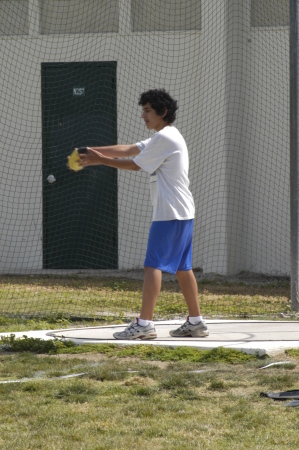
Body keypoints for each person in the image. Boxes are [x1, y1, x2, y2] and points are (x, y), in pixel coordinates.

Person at [78, 88, 209, 340]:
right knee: (183, 267)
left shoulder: (166, 139)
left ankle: (145, 325)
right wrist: (93, 152)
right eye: (143, 110)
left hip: (170, 213)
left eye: (148, 110)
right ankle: (196, 322)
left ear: (163, 112)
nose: (143, 115)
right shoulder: (165, 136)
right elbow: (129, 149)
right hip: (182, 212)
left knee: (153, 266)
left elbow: (135, 165)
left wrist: (101, 160)